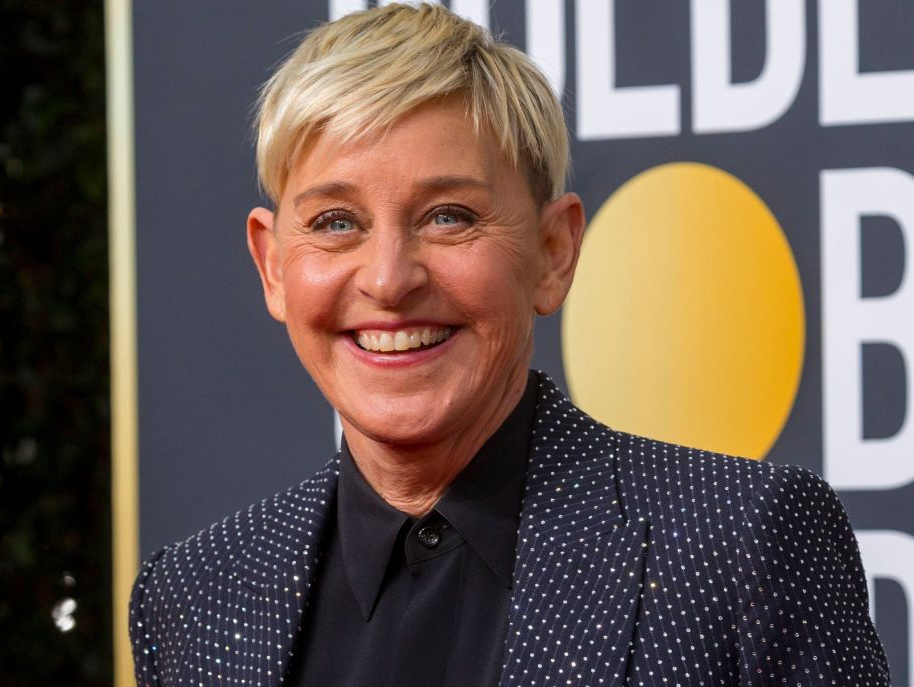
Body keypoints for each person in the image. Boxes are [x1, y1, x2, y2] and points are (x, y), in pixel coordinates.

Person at [129, 4, 890, 685]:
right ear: (272, 266)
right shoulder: (195, 598)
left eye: (448, 216)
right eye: (336, 223)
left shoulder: (740, 545)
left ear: (554, 252)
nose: (389, 279)